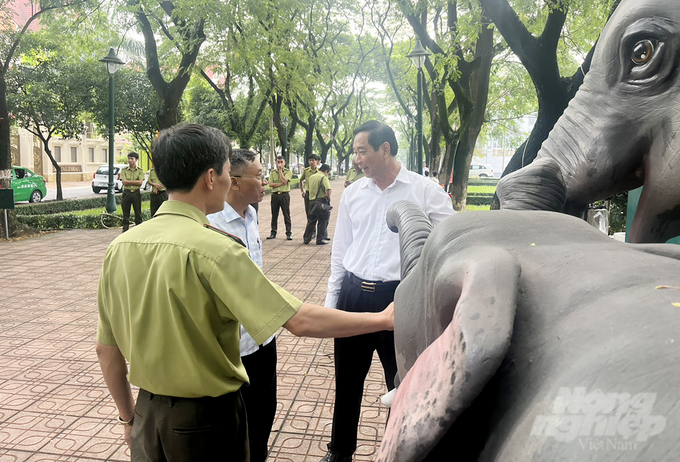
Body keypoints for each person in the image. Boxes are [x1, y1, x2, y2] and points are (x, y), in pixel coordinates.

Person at [96, 123, 394, 462]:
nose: (228, 180)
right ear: (211, 178)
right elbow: (298, 321)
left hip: (148, 417)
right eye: (226, 171)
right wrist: (382, 318)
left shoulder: (120, 247)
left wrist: (128, 416)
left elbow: (107, 350)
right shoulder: (217, 251)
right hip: (206, 422)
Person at [320, 121, 455, 462]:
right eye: (355, 152)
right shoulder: (353, 193)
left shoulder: (424, 191)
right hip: (353, 295)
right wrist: (332, 303)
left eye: (362, 151)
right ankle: (340, 452)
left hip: (399, 300)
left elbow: (451, 240)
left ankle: (401, 450)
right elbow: (341, 250)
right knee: (347, 379)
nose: (357, 159)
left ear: (385, 149)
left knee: (403, 384)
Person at [206, 149, 274, 462]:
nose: (265, 181)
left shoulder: (252, 214)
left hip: (263, 337)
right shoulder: (211, 225)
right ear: (234, 182)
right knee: (234, 427)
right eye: (259, 175)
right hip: (233, 348)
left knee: (264, 415)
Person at [303, 163, 332, 245]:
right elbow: (328, 189)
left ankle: (306, 238)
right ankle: (320, 239)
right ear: (326, 171)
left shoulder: (311, 177)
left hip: (311, 201)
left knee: (311, 221)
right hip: (321, 201)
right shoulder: (324, 177)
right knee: (322, 220)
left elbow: (307, 188)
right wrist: (329, 199)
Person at [267, 155, 293, 240]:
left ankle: (288, 233)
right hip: (275, 195)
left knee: (286, 214)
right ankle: (273, 232)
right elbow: (270, 184)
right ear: (275, 163)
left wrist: (281, 171)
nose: (280, 164)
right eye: (278, 162)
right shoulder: (273, 172)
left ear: (284, 163)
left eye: (281, 162)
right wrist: (280, 184)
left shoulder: (288, 171)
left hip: (284, 195)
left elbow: (285, 181)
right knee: (274, 214)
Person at [119, 152, 145, 232]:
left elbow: (140, 183)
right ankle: (125, 230)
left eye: (132, 159)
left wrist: (129, 181)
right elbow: (124, 182)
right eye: (129, 158)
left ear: (136, 160)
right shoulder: (124, 170)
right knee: (125, 213)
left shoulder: (140, 171)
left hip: (136, 193)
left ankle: (139, 230)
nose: (130, 160)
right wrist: (135, 182)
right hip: (127, 193)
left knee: (138, 212)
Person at [299, 154, 320, 221]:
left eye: (313, 160)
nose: (311, 162)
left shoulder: (320, 171)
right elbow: (301, 180)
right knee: (308, 211)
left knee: (317, 212)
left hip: (317, 194)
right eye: (310, 160)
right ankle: (311, 229)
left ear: (317, 161)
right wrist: (302, 190)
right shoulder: (306, 171)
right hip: (308, 193)